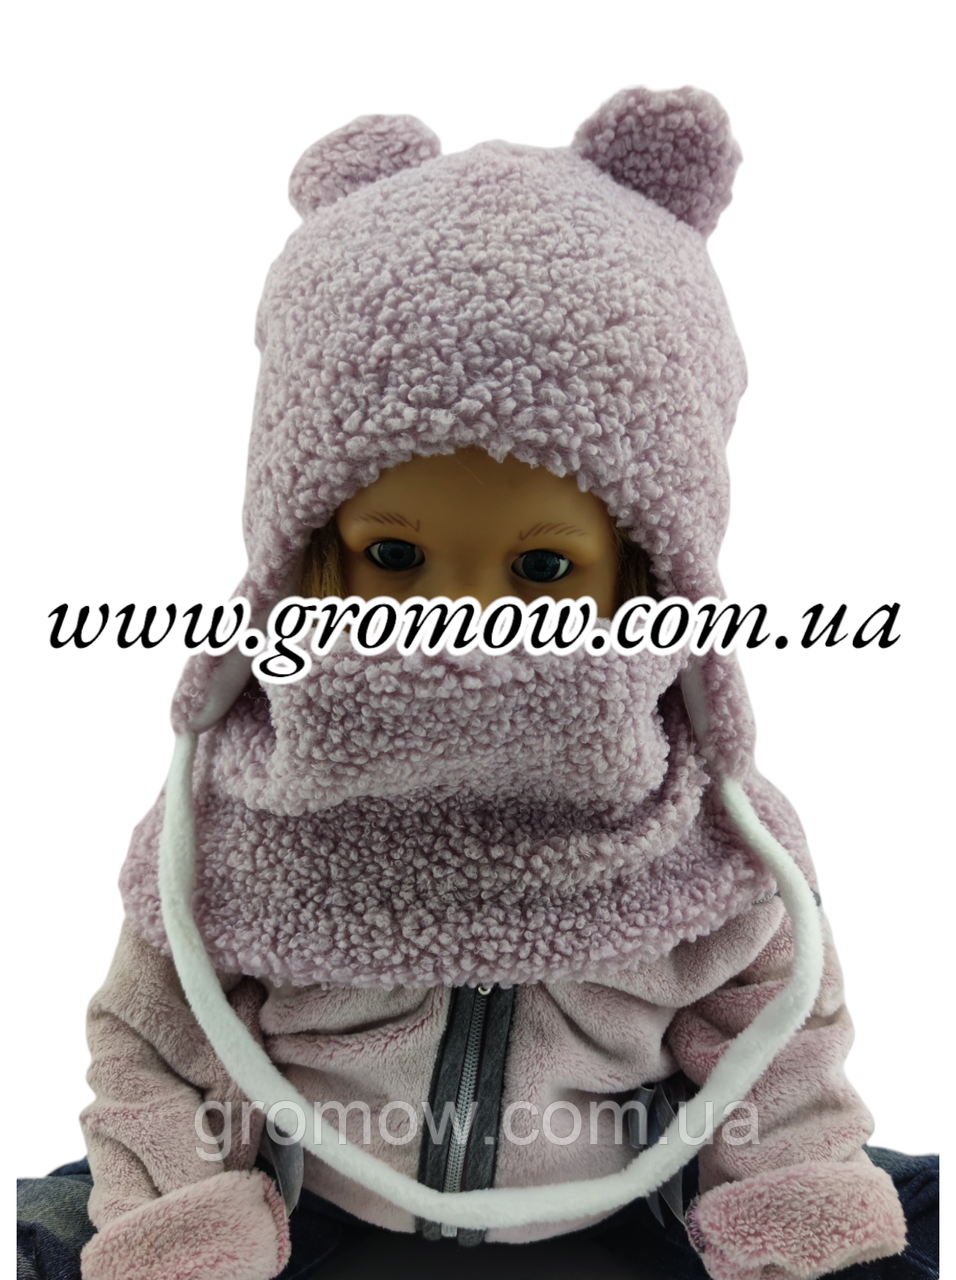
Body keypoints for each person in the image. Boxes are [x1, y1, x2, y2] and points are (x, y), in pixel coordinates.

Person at [17, 87, 939, 1280]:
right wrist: (183, 1220)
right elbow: (160, 1042)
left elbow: (775, 1049)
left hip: (614, 1230)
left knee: (888, 1212)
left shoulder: (700, 826)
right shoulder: (242, 812)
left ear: (650, 567)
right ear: (303, 548)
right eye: (394, 555)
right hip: (318, 1230)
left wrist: (791, 1198)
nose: (461, 622)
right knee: (64, 1228)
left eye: (542, 566)